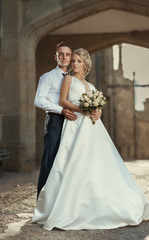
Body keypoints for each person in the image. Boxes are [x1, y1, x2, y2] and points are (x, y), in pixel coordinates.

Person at [31, 48, 149, 230]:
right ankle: (68, 207)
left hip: (92, 127)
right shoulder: (68, 79)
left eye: (78, 61)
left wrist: (97, 112)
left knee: (99, 163)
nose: (74, 63)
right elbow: (62, 101)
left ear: (86, 64)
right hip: (75, 125)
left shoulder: (92, 86)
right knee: (74, 163)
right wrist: (82, 110)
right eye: (73, 60)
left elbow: (98, 106)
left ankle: (104, 204)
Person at [34, 42, 102, 198]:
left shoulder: (75, 79)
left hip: (74, 122)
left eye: (68, 54)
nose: (65, 57)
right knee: (51, 161)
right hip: (55, 120)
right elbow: (38, 101)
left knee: (69, 162)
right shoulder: (48, 77)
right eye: (61, 54)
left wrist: (96, 111)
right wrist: (61, 110)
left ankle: (66, 199)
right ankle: (43, 202)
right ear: (56, 56)